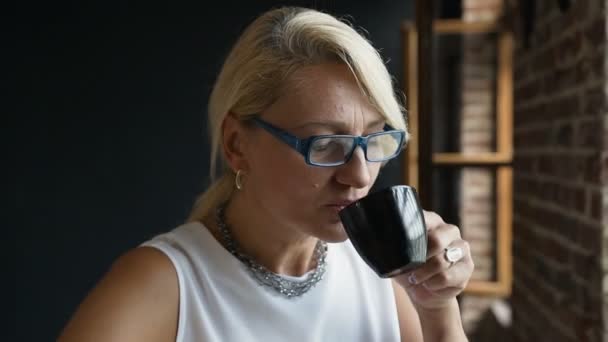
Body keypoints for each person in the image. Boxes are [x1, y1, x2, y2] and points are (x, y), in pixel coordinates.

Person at [59, 6, 474, 342]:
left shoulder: (383, 274)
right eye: (324, 145)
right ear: (237, 145)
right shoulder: (167, 285)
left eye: (376, 140)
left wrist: (437, 308)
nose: (360, 176)